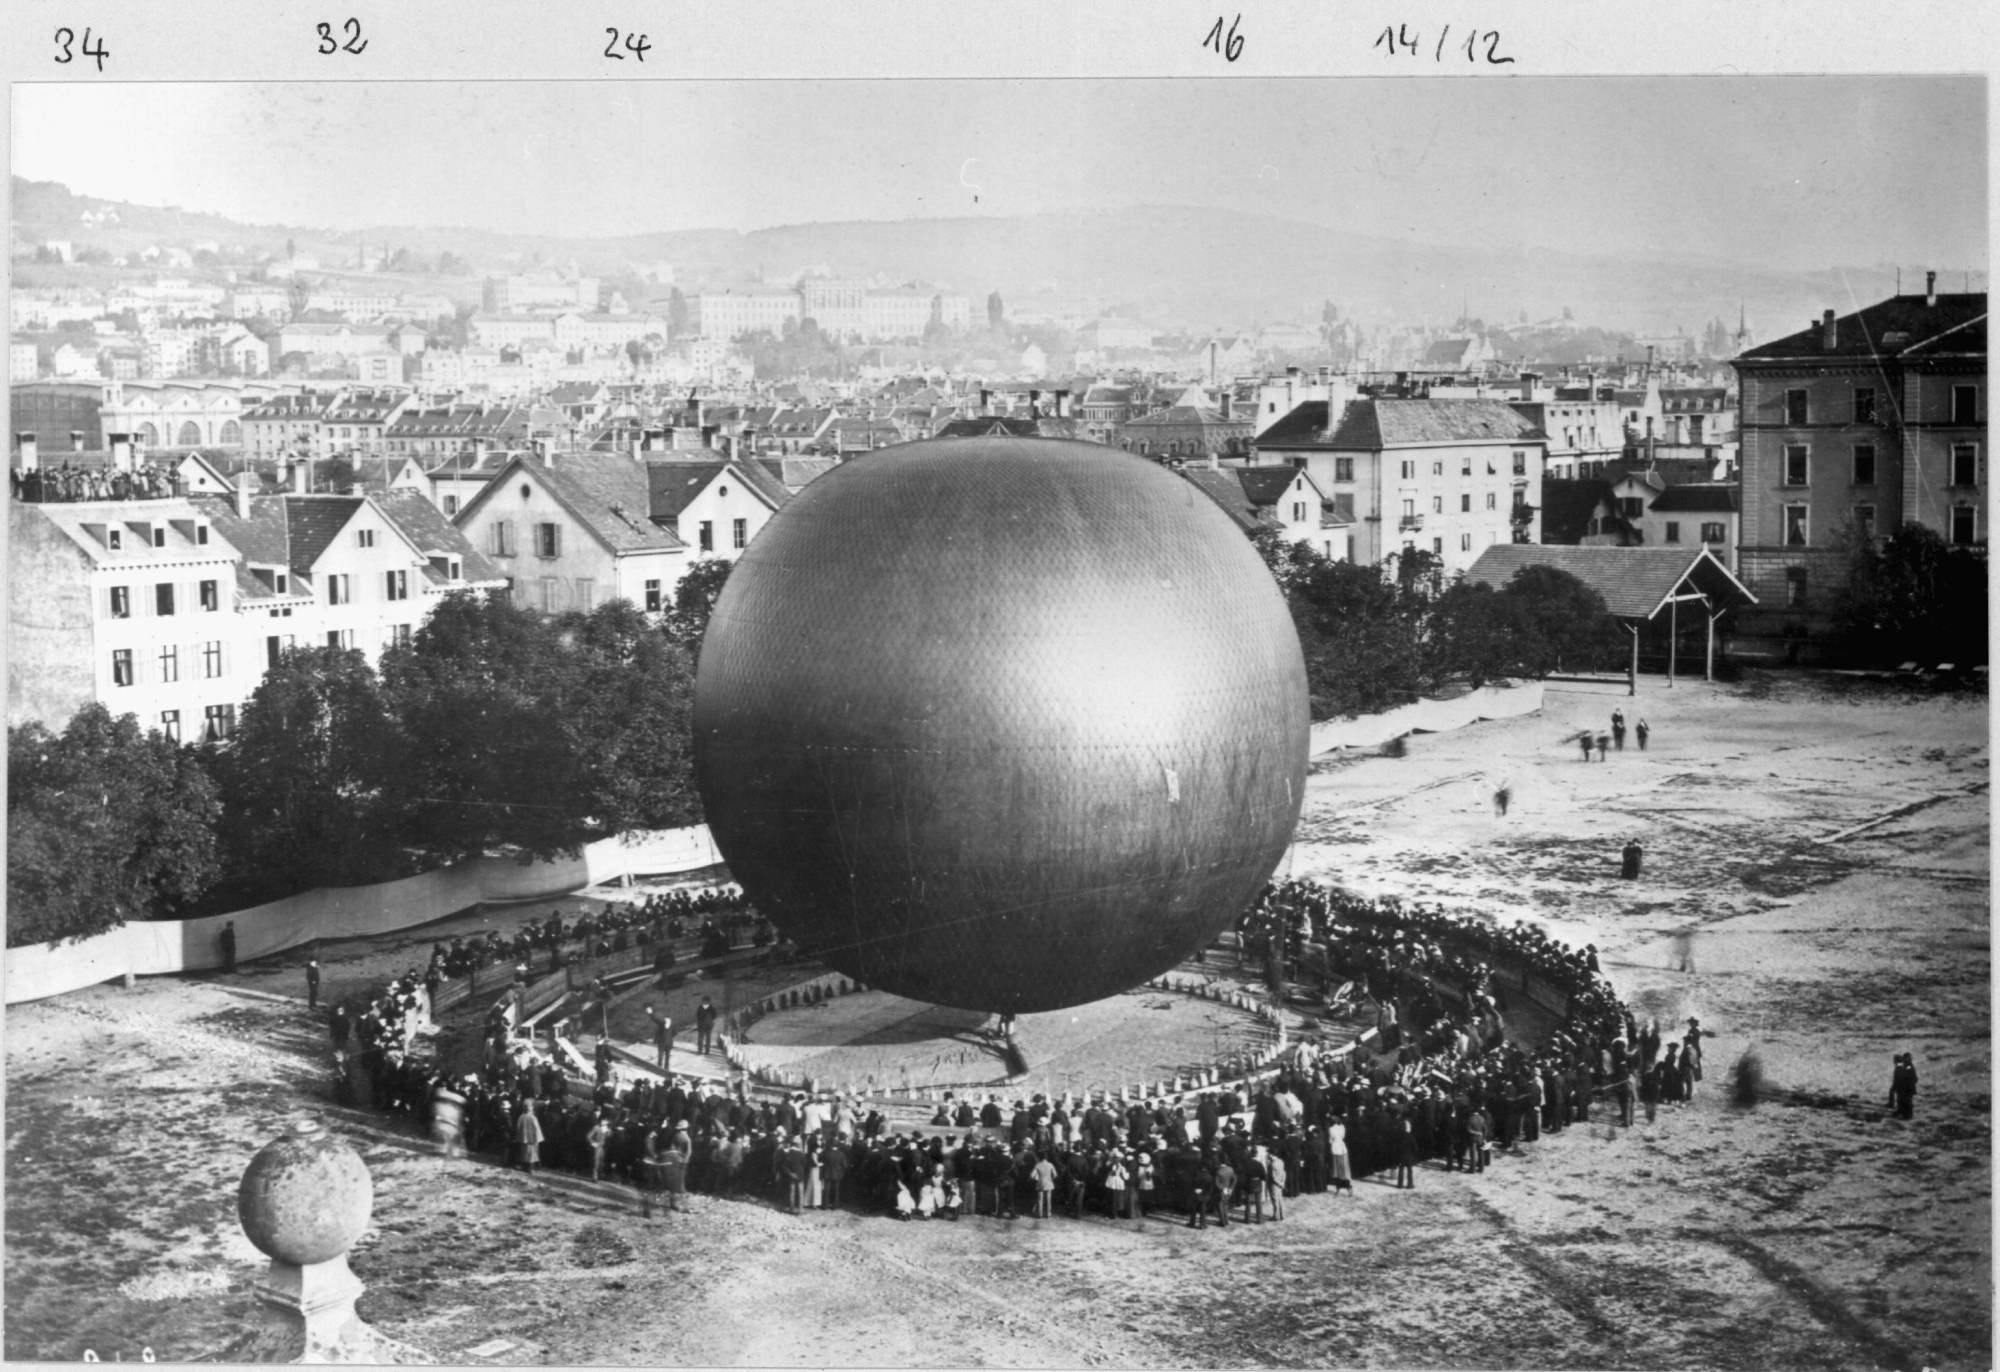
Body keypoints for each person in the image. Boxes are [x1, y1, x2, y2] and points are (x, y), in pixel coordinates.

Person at [1889, 1053, 1918, 1120]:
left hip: (1908, 1088)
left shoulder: (1909, 1066)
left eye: (1905, 1058)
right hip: (1903, 1087)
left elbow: (1912, 1078)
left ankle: (1908, 1115)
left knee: (1907, 1101)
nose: (1904, 1059)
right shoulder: (1906, 1065)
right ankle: (1901, 1111)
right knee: (1901, 1099)